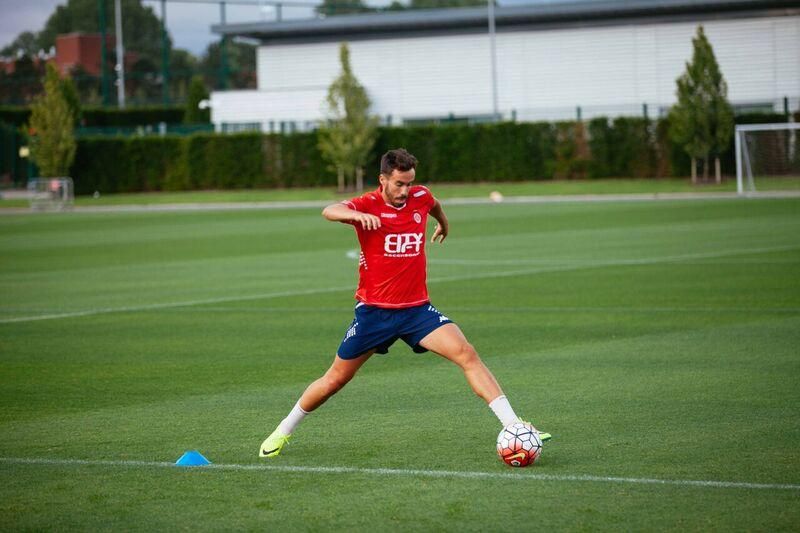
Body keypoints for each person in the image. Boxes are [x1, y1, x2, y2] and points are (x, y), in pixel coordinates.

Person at [259, 148, 550, 458]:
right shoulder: (367, 203)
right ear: (382, 180)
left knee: (466, 353)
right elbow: (329, 210)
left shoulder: (419, 197)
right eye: (399, 184)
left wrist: (443, 222)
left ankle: (514, 426)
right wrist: (356, 215)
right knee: (335, 379)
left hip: (416, 311)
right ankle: (283, 431)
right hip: (375, 314)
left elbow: (433, 203)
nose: (405, 191)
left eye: (409, 183)